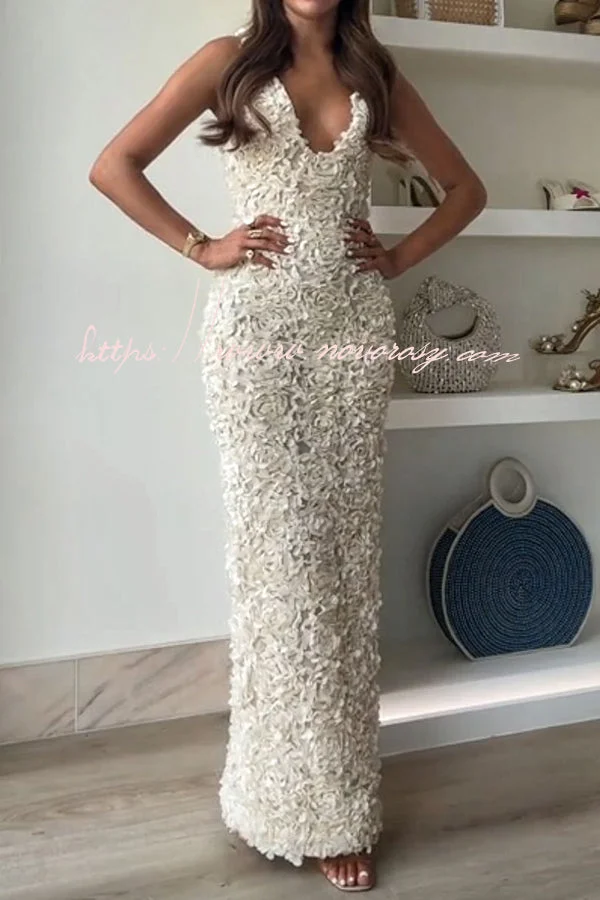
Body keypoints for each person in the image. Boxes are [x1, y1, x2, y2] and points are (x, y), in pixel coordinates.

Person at [89, 0, 486, 891]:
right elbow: (114, 165)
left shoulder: (375, 72)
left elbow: (467, 189)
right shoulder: (226, 60)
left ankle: (332, 804)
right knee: (282, 565)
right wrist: (202, 246)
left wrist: (396, 258)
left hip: (351, 338)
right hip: (255, 339)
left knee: (340, 568)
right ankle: (277, 796)